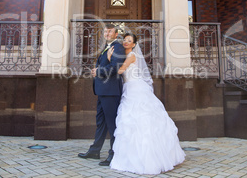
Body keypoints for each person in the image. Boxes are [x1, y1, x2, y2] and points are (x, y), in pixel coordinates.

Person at [107, 33, 186, 175]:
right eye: (125, 40)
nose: (126, 42)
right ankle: (131, 156)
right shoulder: (123, 53)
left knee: (140, 121)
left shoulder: (131, 56)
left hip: (135, 89)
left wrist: (109, 58)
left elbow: (120, 70)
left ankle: (149, 159)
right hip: (128, 89)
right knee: (130, 123)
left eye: (129, 41)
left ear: (134, 44)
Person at [78, 23, 126, 166]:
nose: (107, 33)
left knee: (112, 124)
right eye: (105, 31)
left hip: (110, 92)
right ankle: (95, 150)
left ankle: (114, 154)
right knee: (101, 122)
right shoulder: (108, 47)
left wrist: (98, 71)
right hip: (103, 91)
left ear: (116, 34)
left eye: (110, 31)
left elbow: (115, 68)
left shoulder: (117, 47)